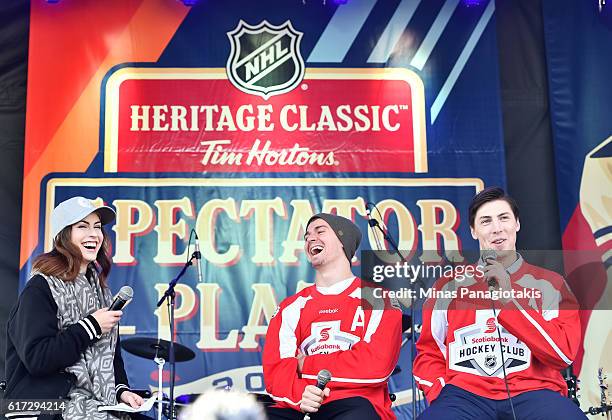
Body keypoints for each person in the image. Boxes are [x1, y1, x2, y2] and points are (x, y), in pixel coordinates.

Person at [413, 187, 587, 419]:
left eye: (504, 218)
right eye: (485, 221)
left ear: (517, 224)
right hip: (465, 396)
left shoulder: (550, 284)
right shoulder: (447, 286)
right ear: (473, 231)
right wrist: (440, 390)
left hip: (536, 392)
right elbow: (428, 352)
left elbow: (562, 353)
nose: (496, 228)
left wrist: (508, 299)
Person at [4, 197, 144, 419]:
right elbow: (38, 359)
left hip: (95, 405)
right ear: (63, 236)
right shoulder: (41, 288)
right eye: (82, 226)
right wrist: (91, 327)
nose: (94, 235)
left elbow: (110, 357)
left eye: (97, 227)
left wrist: (121, 392)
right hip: (49, 407)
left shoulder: (100, 292)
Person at [263, 213, 402, 420]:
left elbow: (374, 365)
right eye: (307, 235)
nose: (311, 238)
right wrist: (300, 394)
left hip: (355, 405)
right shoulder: (289, 308)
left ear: (344, 244)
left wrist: (304, 364)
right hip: (301, 404)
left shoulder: (379, 300)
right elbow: (277, 370)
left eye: (320, 231)